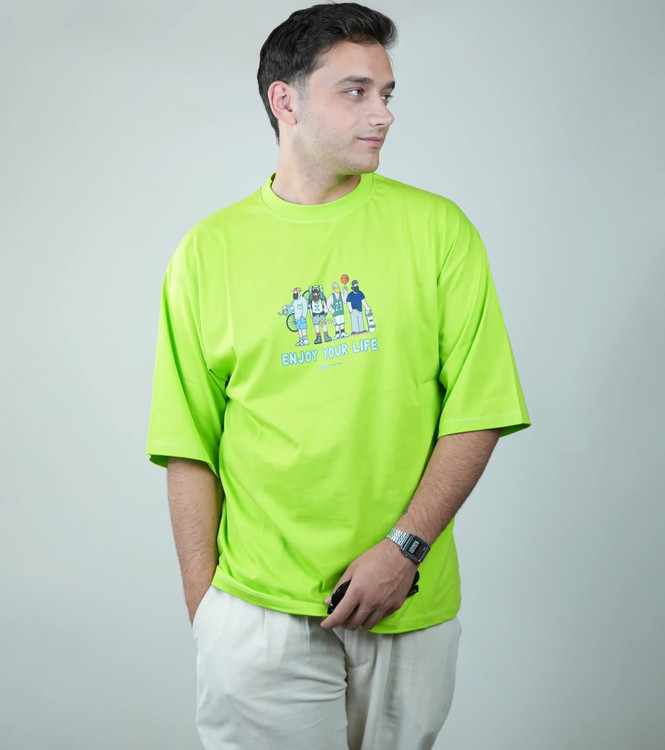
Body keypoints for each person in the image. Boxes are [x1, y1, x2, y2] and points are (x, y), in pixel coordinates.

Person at [147, 4, 530, 749]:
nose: (383, 114)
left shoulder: (438, 230)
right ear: (284, 100)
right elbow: (188, 445)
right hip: (257, 609)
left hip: (407, 598)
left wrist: (404, 549)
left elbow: (478, 409)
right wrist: (209, 615)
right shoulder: (208, 251)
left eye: (386, 93)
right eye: (355, 92)